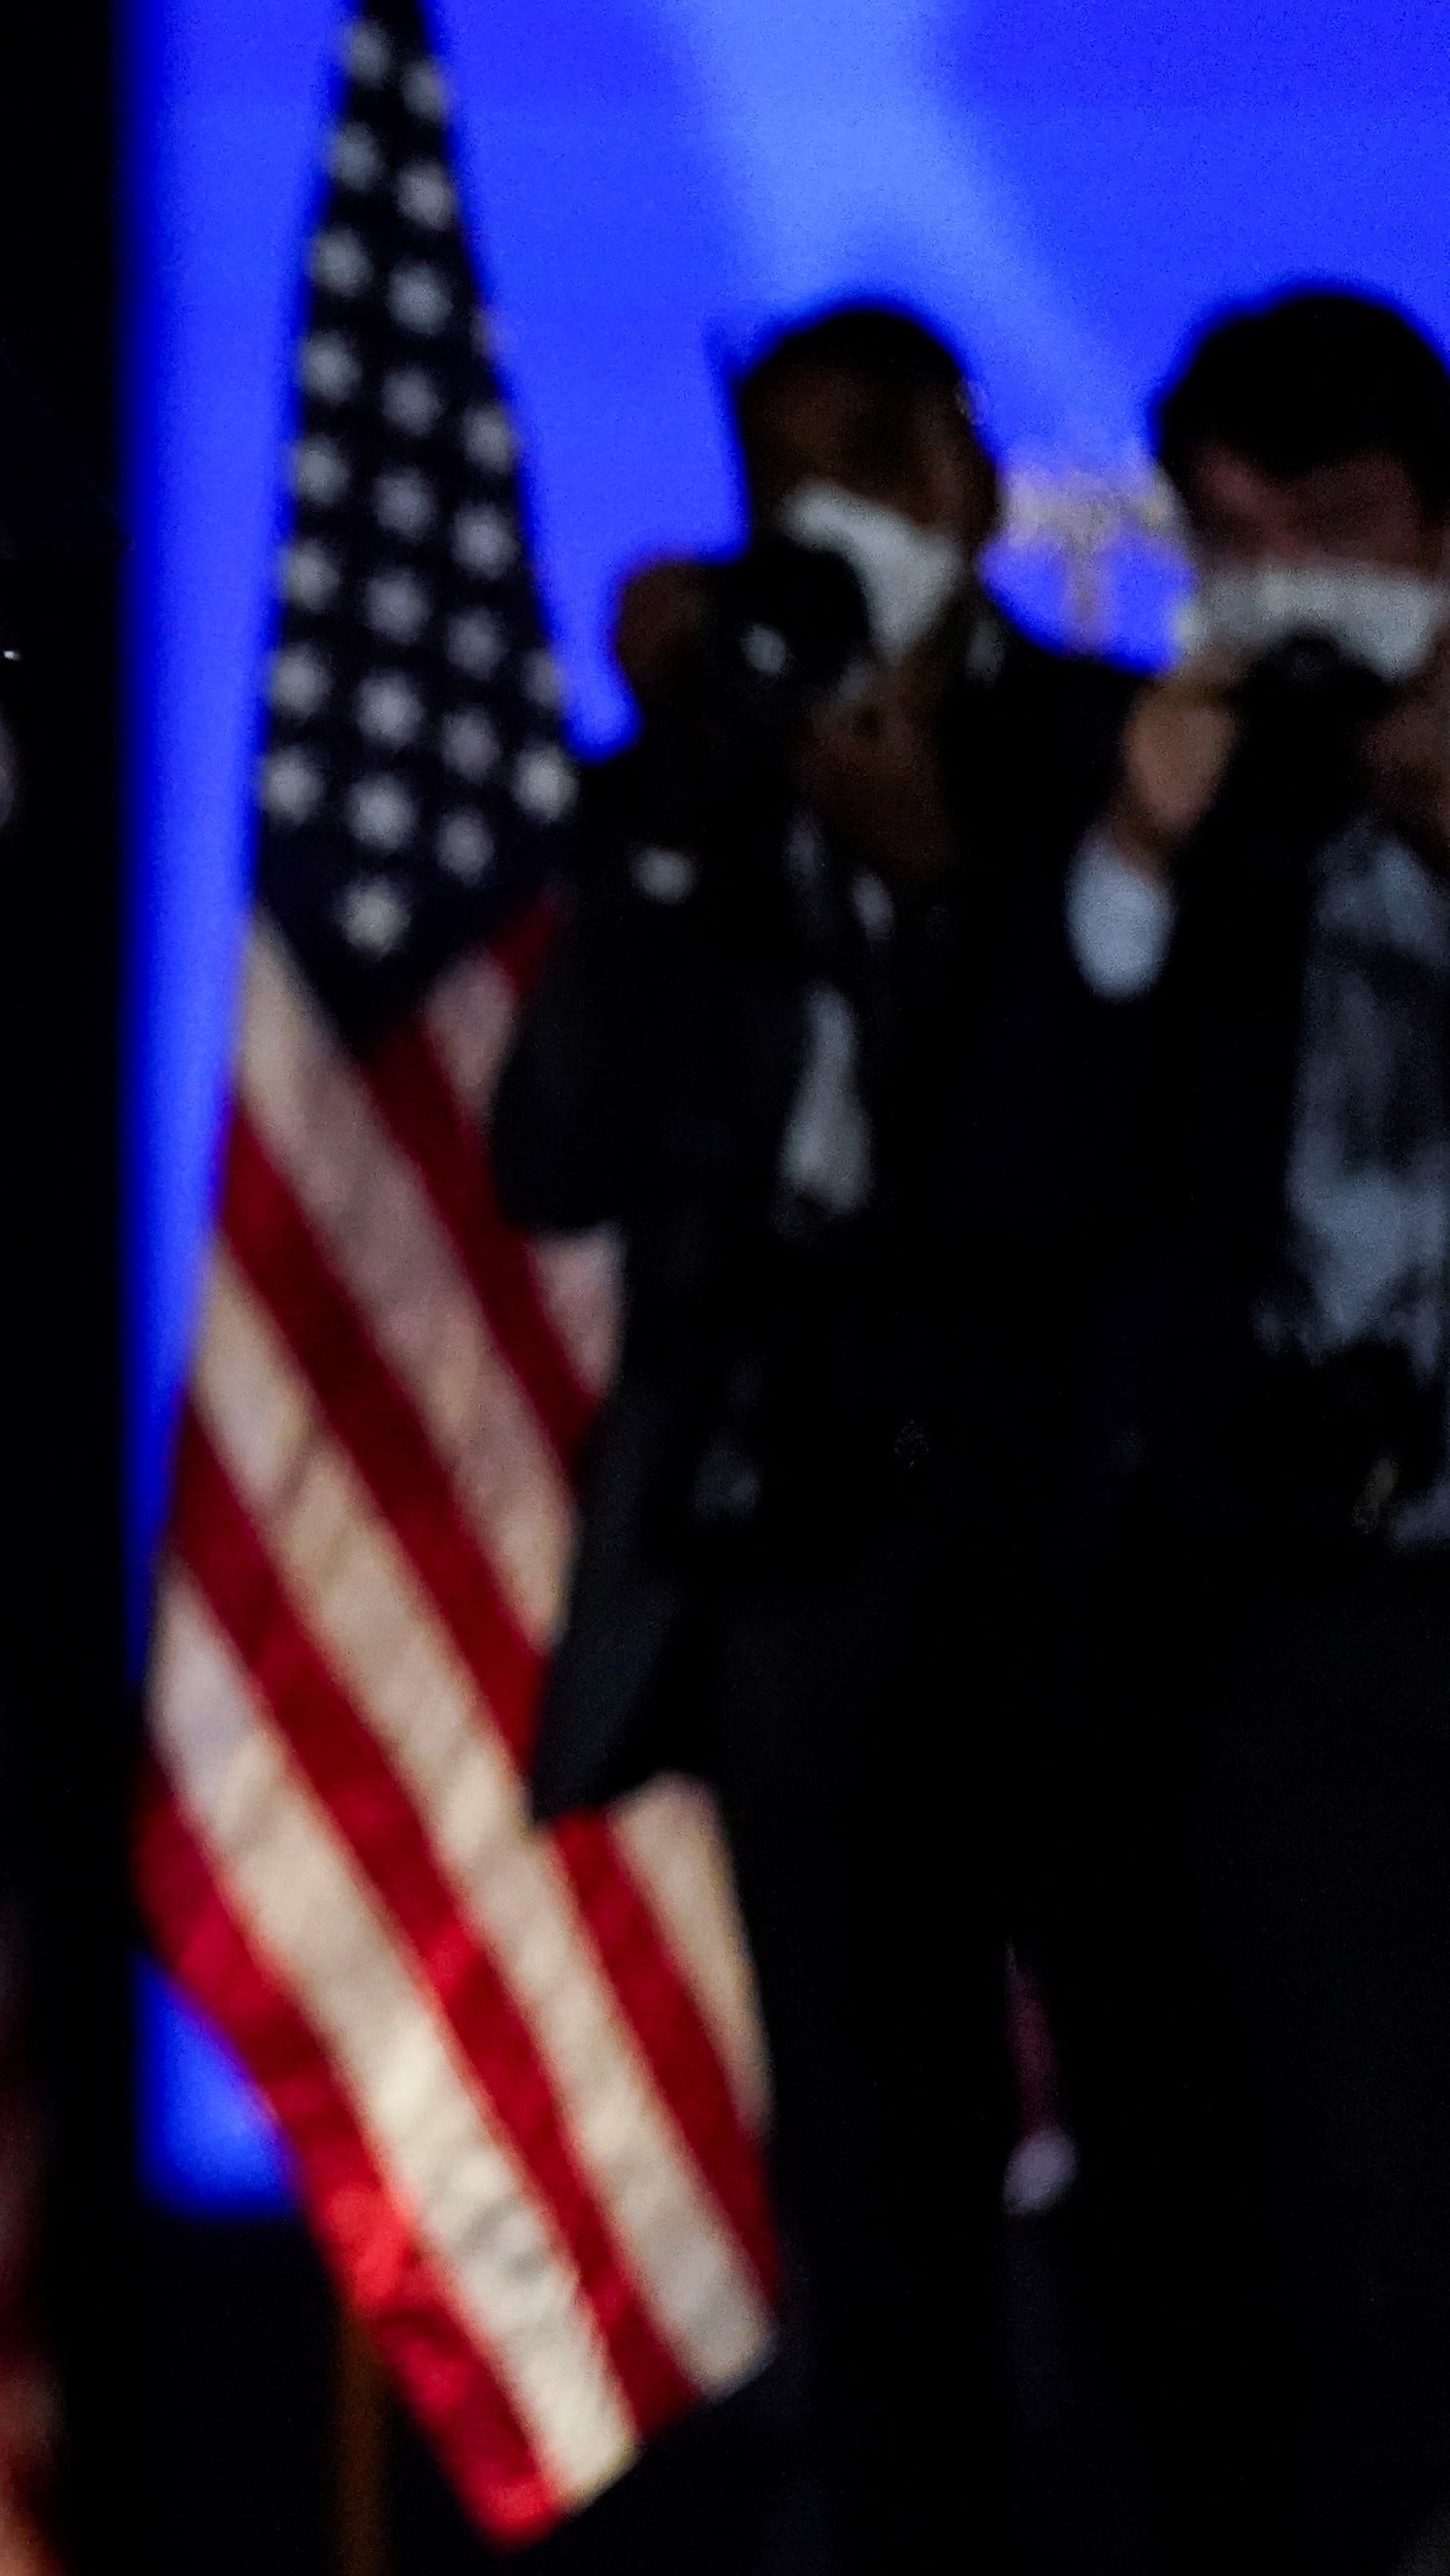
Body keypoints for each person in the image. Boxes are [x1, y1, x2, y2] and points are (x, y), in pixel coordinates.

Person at [492, 303, 1128, 2573]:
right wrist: (679, 786)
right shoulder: (703, 773)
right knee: (865, 2192)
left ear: (974, 470)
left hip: (1086, 1581)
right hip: (809, 1576)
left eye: (877, 450)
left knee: (1156, 2146)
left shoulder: (1108, 754)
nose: (837, 503)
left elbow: (1140, 1172)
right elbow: (550, 1154)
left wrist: (941, 862)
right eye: (788, 465)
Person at [1022, 285, 1450, 2576]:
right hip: (1301, 1629)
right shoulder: (1211, 789)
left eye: (1345, 526)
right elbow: (1043, 1197)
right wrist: (1138, 863)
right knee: (1347, 2250)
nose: (1289, 583)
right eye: (1231, 537)